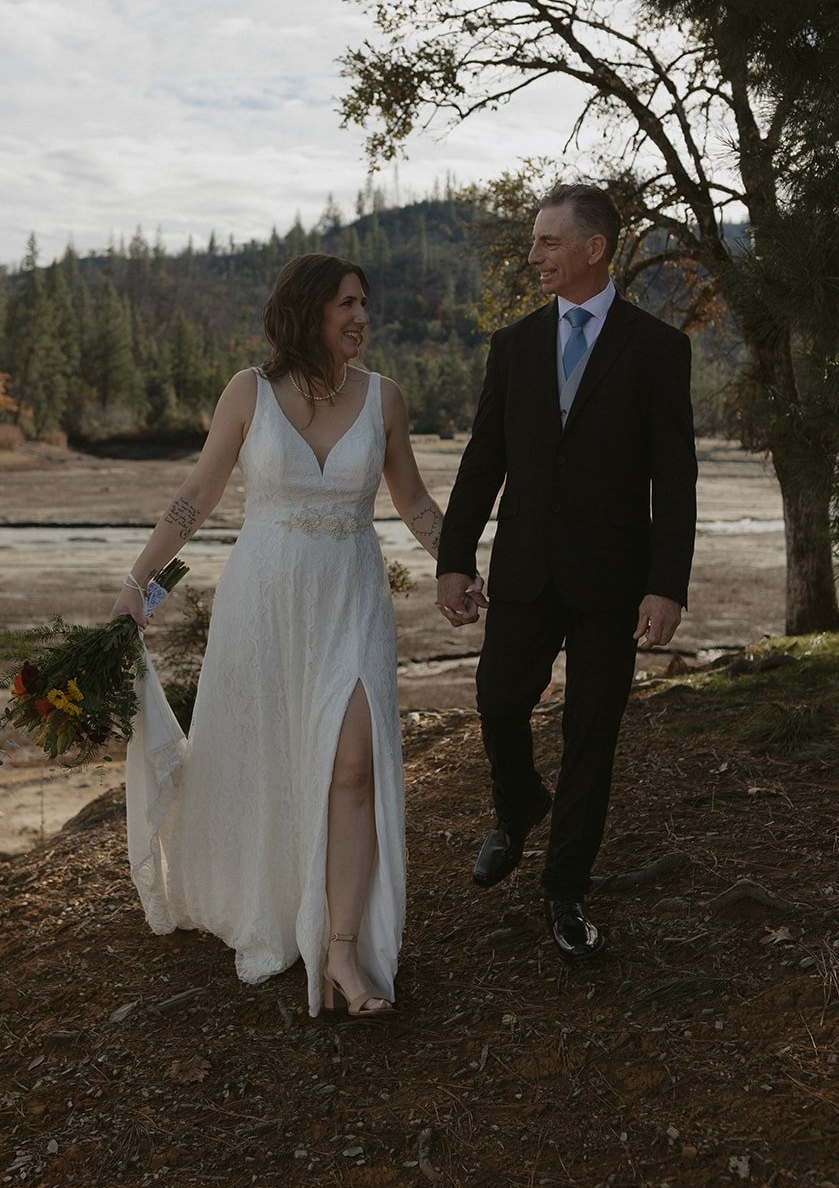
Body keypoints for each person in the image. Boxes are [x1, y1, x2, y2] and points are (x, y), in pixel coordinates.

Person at [111, 254, 457, 1016]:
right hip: (262, 599)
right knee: (262, 752)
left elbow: (416, 505)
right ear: (307, 312)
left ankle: (341, 951)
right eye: (345, 304)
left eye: (364, 303)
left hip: (350, 598)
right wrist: (138, 581)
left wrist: (458, 565)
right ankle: (270, 904)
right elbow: (195, 496)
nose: (360, 316)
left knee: (354, 767)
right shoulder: (250, 393)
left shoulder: (384, 399)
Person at [436, 183, 697, 964]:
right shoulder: (512, 345)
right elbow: (484, 461)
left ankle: (565, 886)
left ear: (594, 248)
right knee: (496, 701)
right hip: (522, 568)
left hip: (613, 580)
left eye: (548, 241)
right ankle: (517, 803)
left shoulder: (656, 347)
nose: (533, 254)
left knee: (591, 732)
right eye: (532, 241)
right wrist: (454, 559)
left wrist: (667, 582)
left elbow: (673, 477)